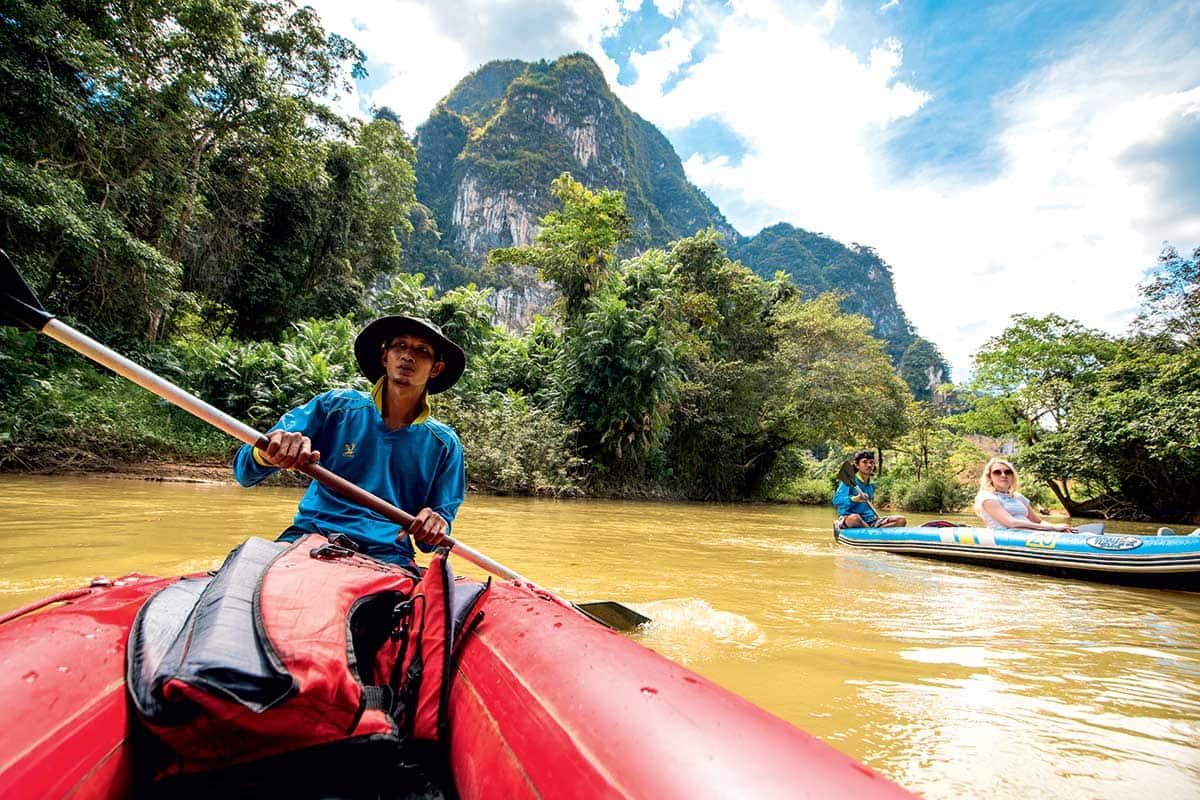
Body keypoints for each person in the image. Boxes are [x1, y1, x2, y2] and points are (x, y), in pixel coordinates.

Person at [233, 316, 467, 571]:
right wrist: (270, 452)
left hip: (388, 553)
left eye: (421, 351)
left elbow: (433, 541)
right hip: (312, 534)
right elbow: (244, 472)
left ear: (435, 369)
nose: (407, 356)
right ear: (384, 357)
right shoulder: (334, 407)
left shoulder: (444, 444)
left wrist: (434, 525)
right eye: (399, 346)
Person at [974, 458, 1077, 532]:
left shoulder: (1018, 497)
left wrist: (1058, 527)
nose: (1003, 475)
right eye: (997, 472)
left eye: (1008, 472)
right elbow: (1011, 523)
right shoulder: (987, 498)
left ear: (1012, 476)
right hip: (1007, 535)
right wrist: (1053, 528)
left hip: (1030, 532)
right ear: (990, 477)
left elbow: (1038, 522)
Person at [833, 450, 906, 528]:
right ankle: (872, 532)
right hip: (850, 518)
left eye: (871, 462)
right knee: (855, 518)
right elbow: (837, 500)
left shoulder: (872, 484)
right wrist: (855, 499)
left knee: (901, 520)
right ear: (857, 465)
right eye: (865, 462)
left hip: (870, 519)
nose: (869, 465)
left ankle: (874, 533)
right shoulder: (848, 481)